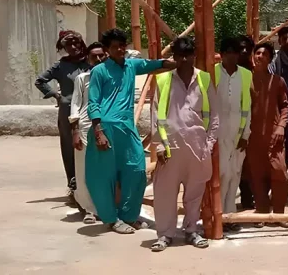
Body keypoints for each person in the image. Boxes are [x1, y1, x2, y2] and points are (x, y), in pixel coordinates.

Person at [86, 28, 176, 234]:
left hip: (126, 128)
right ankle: (110, 219)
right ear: (107, 50)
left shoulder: (131, 66)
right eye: (115, 46)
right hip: (105, 127)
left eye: (122, 45)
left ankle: (128, 215)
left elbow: (155, 64)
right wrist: (98, 130)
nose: (119, 49)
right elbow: (93, 102)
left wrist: (179, 61)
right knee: (103, 175)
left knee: (136, 171)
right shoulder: (99, 71)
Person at [150, 37, 220, 252]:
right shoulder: (163, 81)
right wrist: (158, 145)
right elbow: (155, 115)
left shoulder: (205, 80)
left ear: (193, 56)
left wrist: (208, 145)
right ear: (175, 57)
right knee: (164, 194)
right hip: (170, 147)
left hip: (198, 146)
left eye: (187, 55)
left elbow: (214, 115)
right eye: (179, 56)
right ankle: (165, 235)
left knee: (194, 193)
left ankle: (191, 231)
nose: (183, 60)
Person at [35, 30, 90, 202]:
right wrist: (57, 96)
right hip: (67, 111)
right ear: (63, 47)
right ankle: (73, 185)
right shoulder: (60, 66)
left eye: (76, 43)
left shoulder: (91, 62)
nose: (73, 47)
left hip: (89, 109)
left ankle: (91, 185)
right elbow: (40, 81)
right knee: (69, 147)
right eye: (68, 44)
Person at [247, 42, 288, 227]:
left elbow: (285, 106)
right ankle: (262, 213)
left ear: (270, 58)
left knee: (279, 173)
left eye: (264, 54)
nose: (260, 57)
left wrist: (281, 126)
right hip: (252, 136)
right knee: (257, 175)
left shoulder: (277, 81)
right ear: (253, 56)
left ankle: (280, 214)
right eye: (257, 53)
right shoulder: (245, 80)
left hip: (275, 135)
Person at [212, 37, 253, 230]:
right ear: (221, 54)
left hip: (237, 132)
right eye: (227, 52)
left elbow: (248, 107)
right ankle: (218, 215)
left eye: (234, 52)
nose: (231, 56)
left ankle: (230, 216)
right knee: (220, 174)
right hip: (217, 132)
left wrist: (246, 135)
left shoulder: (245, 75)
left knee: (234, 174)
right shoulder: (211, 73)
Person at [68, 42, 107, 224]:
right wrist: (75, 130)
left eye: (101, 55)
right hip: (85, 126)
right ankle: (88, 209)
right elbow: (75, 104)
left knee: (104, 169)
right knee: (83, 168)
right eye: (94, 56)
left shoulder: (113, 77)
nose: (98, 59)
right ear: (88, 59)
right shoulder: (82, 78)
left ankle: (105, 207)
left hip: (107, 127)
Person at [269, 26, 288, 170]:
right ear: (279, 42)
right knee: (282, 151)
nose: (287, 41)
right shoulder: (273, 64)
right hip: (281, 112)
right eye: (284, 39)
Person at [236, 36, 256, 211]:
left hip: (253, 126)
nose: (244, 52)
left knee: (251, 166)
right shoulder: (228, 72)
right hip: (232, 127)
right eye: (240, 48)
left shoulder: (256, 72)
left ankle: (251, 201)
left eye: (247, 49)